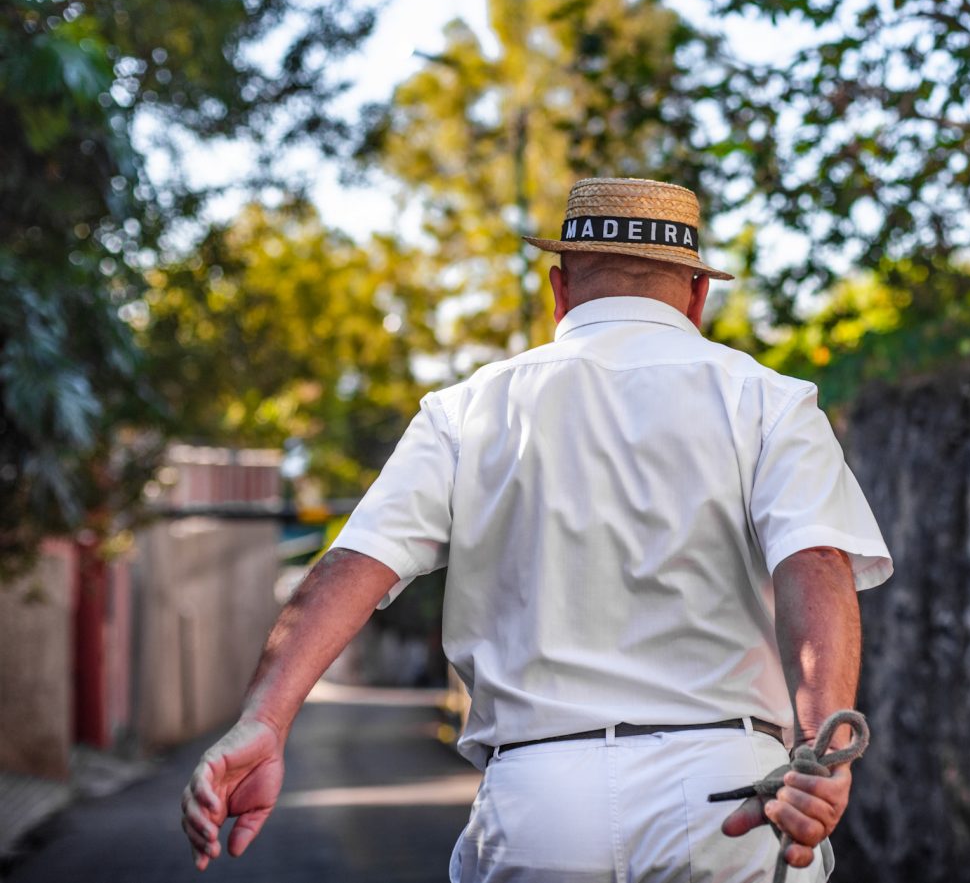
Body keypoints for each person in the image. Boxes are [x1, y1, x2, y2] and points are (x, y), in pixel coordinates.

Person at [179, 177, 894, 881]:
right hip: (726, 795)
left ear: (559, 287)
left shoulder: (466, 410)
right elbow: (818, 561)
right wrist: (818, 752)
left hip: (541, 800)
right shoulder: (767, 400)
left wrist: (265, 721)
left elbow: (354, 564)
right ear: (697, 295)